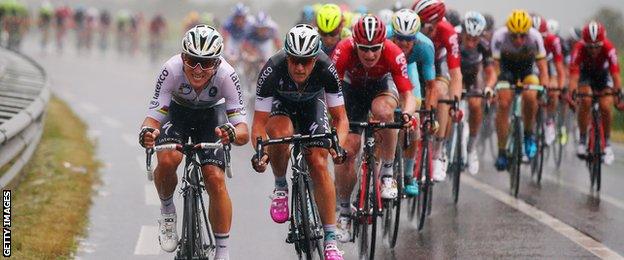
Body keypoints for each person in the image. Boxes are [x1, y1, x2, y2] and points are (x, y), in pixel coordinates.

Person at [139, 25, 249, 260]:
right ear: (183, 57)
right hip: (177, 112)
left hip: (212, 115)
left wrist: (232, 133)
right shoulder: (171, 69)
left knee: (215, 177)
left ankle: (223, 252)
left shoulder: (227, 75)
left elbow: (243, 131)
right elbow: (153, 117)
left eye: (206, 63)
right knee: (169, 159)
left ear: (217, 63)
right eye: (192, 61)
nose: (198, 69)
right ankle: (168, 212)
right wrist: (147, 132)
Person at [250, 24, 348, 260]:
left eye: (306, 61)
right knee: (280, 134)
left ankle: (331, 240)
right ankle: (281, 186)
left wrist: (338, 146)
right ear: (287, 56)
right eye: (294, 60)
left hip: (313, 107)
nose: (300, 67)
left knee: (318, 162)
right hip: (281, 107)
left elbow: (340, 118)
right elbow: (258, 125)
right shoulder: (272, 68)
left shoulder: (326, 68)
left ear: (315, 59)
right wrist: (261, 152)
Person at [331, 14, 416, 242]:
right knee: (347, 151)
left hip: (381, 88)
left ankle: (387, 172)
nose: (369, 54)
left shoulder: (393, 52)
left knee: (384, 112)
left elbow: (408, 94)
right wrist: (335, 121)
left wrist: (407, 114)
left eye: (375, 49)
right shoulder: (343, 50)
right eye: (364, 49)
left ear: (383, 44)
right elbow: (332, 93)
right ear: (355, 44)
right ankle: (344, 212)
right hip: (351, 92)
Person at [484, 10, 550, 171]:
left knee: (530, 96)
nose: (518, 40)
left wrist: (544, 88)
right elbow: (496, 68)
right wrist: (496, 87)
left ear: (528, 32)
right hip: (506, 72)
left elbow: (543, 69)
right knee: (504, 104)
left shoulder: (535, 37)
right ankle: (501, 151)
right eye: (514, 36)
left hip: (528, 72)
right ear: (508, 32)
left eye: (522, 35)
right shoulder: (499, 37)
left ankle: (528, 134)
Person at [413, 0, 463, 181]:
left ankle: (439, 152)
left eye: (423, 24)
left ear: (434, 24)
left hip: (437, 64)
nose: (418, 26)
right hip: (414, 63)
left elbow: (456, 74)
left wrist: (454, 103)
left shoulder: (448, 31)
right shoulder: (411, 25)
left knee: (442, 94)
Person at [387, 8, 436, 195]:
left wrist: (430, 115)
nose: (404, 43)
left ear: (416, 37)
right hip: (388, 69)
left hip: (409, 69)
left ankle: (408, 175)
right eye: (400, 38)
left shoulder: (425, 46)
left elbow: (430, 86)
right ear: (393, 34)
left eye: (409, 39)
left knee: (413, 119)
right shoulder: (383, 38)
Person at [568, 21, 624, 165]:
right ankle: (582, 138)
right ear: (584, 43)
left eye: (597, 46)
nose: (593, 50)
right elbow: (573, 76)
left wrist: (618, 94)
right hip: (585, 75)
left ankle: (608, 144)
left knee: (606, 106)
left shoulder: (609, 48)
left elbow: (616, 75)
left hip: (603, 76)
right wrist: (572, 93)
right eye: (590, 47)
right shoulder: (579, 48)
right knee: (585, 100)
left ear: (603, 42)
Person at [459, 11, 496, 175]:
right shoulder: (454, 40)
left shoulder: (484, 46)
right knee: (451, 102)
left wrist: (488, 87)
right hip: (455, 75)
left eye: (475, 39)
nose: (471, 43)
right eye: (468, 38)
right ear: (462, 33)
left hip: (472, 78)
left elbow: (491, 72)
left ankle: (471, 147)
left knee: (475, 105)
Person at [532, 15, 566, 145]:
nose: (539, 40)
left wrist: (561, 87)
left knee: (553, 90)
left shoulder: (553, 41)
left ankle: (549, 121)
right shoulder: (525, 41)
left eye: (542, 37)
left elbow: (559, 68)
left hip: (548, 69)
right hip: (531, 69)